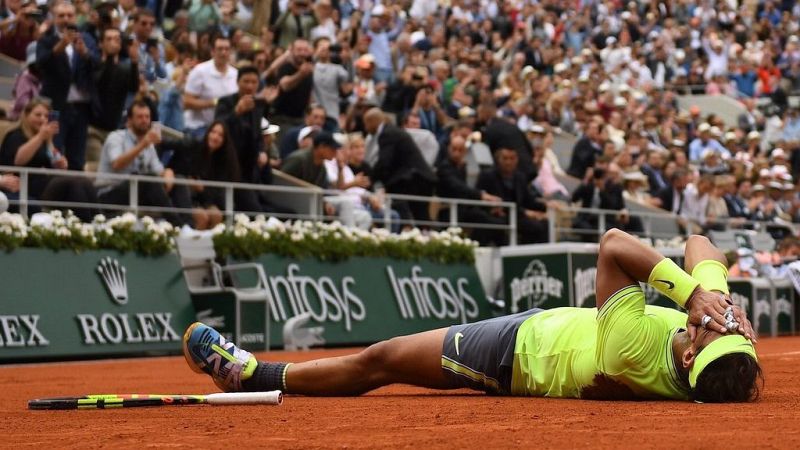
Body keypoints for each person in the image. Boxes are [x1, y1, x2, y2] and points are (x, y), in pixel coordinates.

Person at [184, 229, 761, 403]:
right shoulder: (717, 359)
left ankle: (252, 375)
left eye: (714, 330)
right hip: (543, 331)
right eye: (729, 327)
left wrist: (691, 294)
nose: (720, 323)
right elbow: (701, 241)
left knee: (382, 360)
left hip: (512, 353)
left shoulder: (631, 347)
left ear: (691, 353)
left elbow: (612, 244)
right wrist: (719, 299)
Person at [0, 98, 96, 221]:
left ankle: (97, 219)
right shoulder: (15, 135)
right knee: (70, 182)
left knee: (82, 180)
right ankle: (87, 223)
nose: (42, 119)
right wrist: (41, 136)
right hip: (25, 185)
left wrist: (59, 160)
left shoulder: (46, 138)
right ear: (26, 115)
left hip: (46, 184)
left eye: (46, 116)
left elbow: (55, 162)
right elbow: (19, 160)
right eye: (38, 115)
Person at [96, 100, 187, 226]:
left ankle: (188, 227)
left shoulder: (148, 143)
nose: (144, 120)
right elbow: (117, 164)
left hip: (137, 192)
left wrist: (168, 172)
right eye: (140, 117)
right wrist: (143, 144)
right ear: (129, 121)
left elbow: (158, 170)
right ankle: (178, 225)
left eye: (147, 117)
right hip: (111, 192)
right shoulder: (116, 137)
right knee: (147, 179)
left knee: (179, 180)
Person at [35, 1, 97, 172]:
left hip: (80, 107)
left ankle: (74, 187)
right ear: (54, 18)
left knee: (77, 158)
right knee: (54, 154)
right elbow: (41, 64)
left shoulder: (86, 39)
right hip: (55, 107)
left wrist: (85, 53)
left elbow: (97, 65)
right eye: (61, 16)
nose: (66, 19)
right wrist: (60, 46)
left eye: (70, 15)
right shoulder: (46, 39)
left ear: (76, 17)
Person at [363, 107, 436, 225]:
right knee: (420, 217)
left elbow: (384, 162)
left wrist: (370, 180)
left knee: (414, 214)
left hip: (415, 180)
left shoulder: (387, 133)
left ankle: (410, 231)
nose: (366, 128)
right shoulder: (392, 131)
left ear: (373, 121)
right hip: (419, 179)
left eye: (366, 124)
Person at [86, 27, 139, 172]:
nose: (113, 43)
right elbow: (103, 81)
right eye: (108, 39)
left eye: (116, 39)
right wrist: (110, 57)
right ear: (100, 44)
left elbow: (133, 87)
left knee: (115, 170)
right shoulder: (94, 65)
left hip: (114, 131)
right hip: (94, 129)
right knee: (98, 169)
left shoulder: (124, 69)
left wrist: (134, 61)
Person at [476, 147, 549, 244]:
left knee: (544, 223)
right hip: (497, 215)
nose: (508, 162)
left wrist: (546, 206)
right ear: (498, 160)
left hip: (517, 216)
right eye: (505, 158)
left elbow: (529, 201)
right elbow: (484, 199)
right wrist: (525, 212)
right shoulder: (487, 176)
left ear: (517, 159)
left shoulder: (520, 177)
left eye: (512, 158)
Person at [183, 35, 238, 138]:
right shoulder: (200, 71)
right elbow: (187, 102)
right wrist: (215, 102)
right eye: (220, 49)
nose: (223, 52)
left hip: (224, 128)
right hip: (199, 126)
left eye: (227, 49)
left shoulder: (235, 74)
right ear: (212, 51)